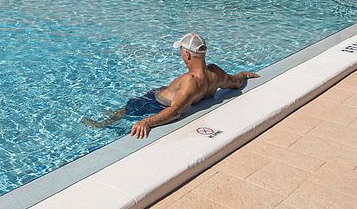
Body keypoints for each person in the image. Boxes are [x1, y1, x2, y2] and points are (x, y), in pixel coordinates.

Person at [81, 33, 259, 138]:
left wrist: (147, 122)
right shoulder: (216, 73)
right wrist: (243, 74)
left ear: (187, 55)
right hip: (169, 96)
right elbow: (235, 82)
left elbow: (175, 111)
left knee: (128, 107)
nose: (181, 55)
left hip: (154, 103)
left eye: (181, 51)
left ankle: (102, 124)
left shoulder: (190, 81)